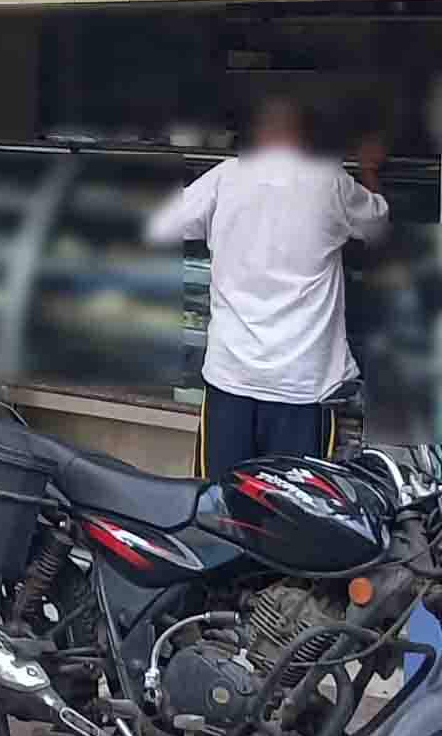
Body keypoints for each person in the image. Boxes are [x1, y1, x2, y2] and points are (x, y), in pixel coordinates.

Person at [146, 98, 388, 479]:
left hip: (232, 382)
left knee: (219, 507)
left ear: (258, 134)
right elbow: (378, 229)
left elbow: (160, 227)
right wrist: (371, 171)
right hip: (302, 389)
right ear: (305, 136)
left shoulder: (225, 177)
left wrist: (222, 229)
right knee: (298, 514)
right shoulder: (331, 182)